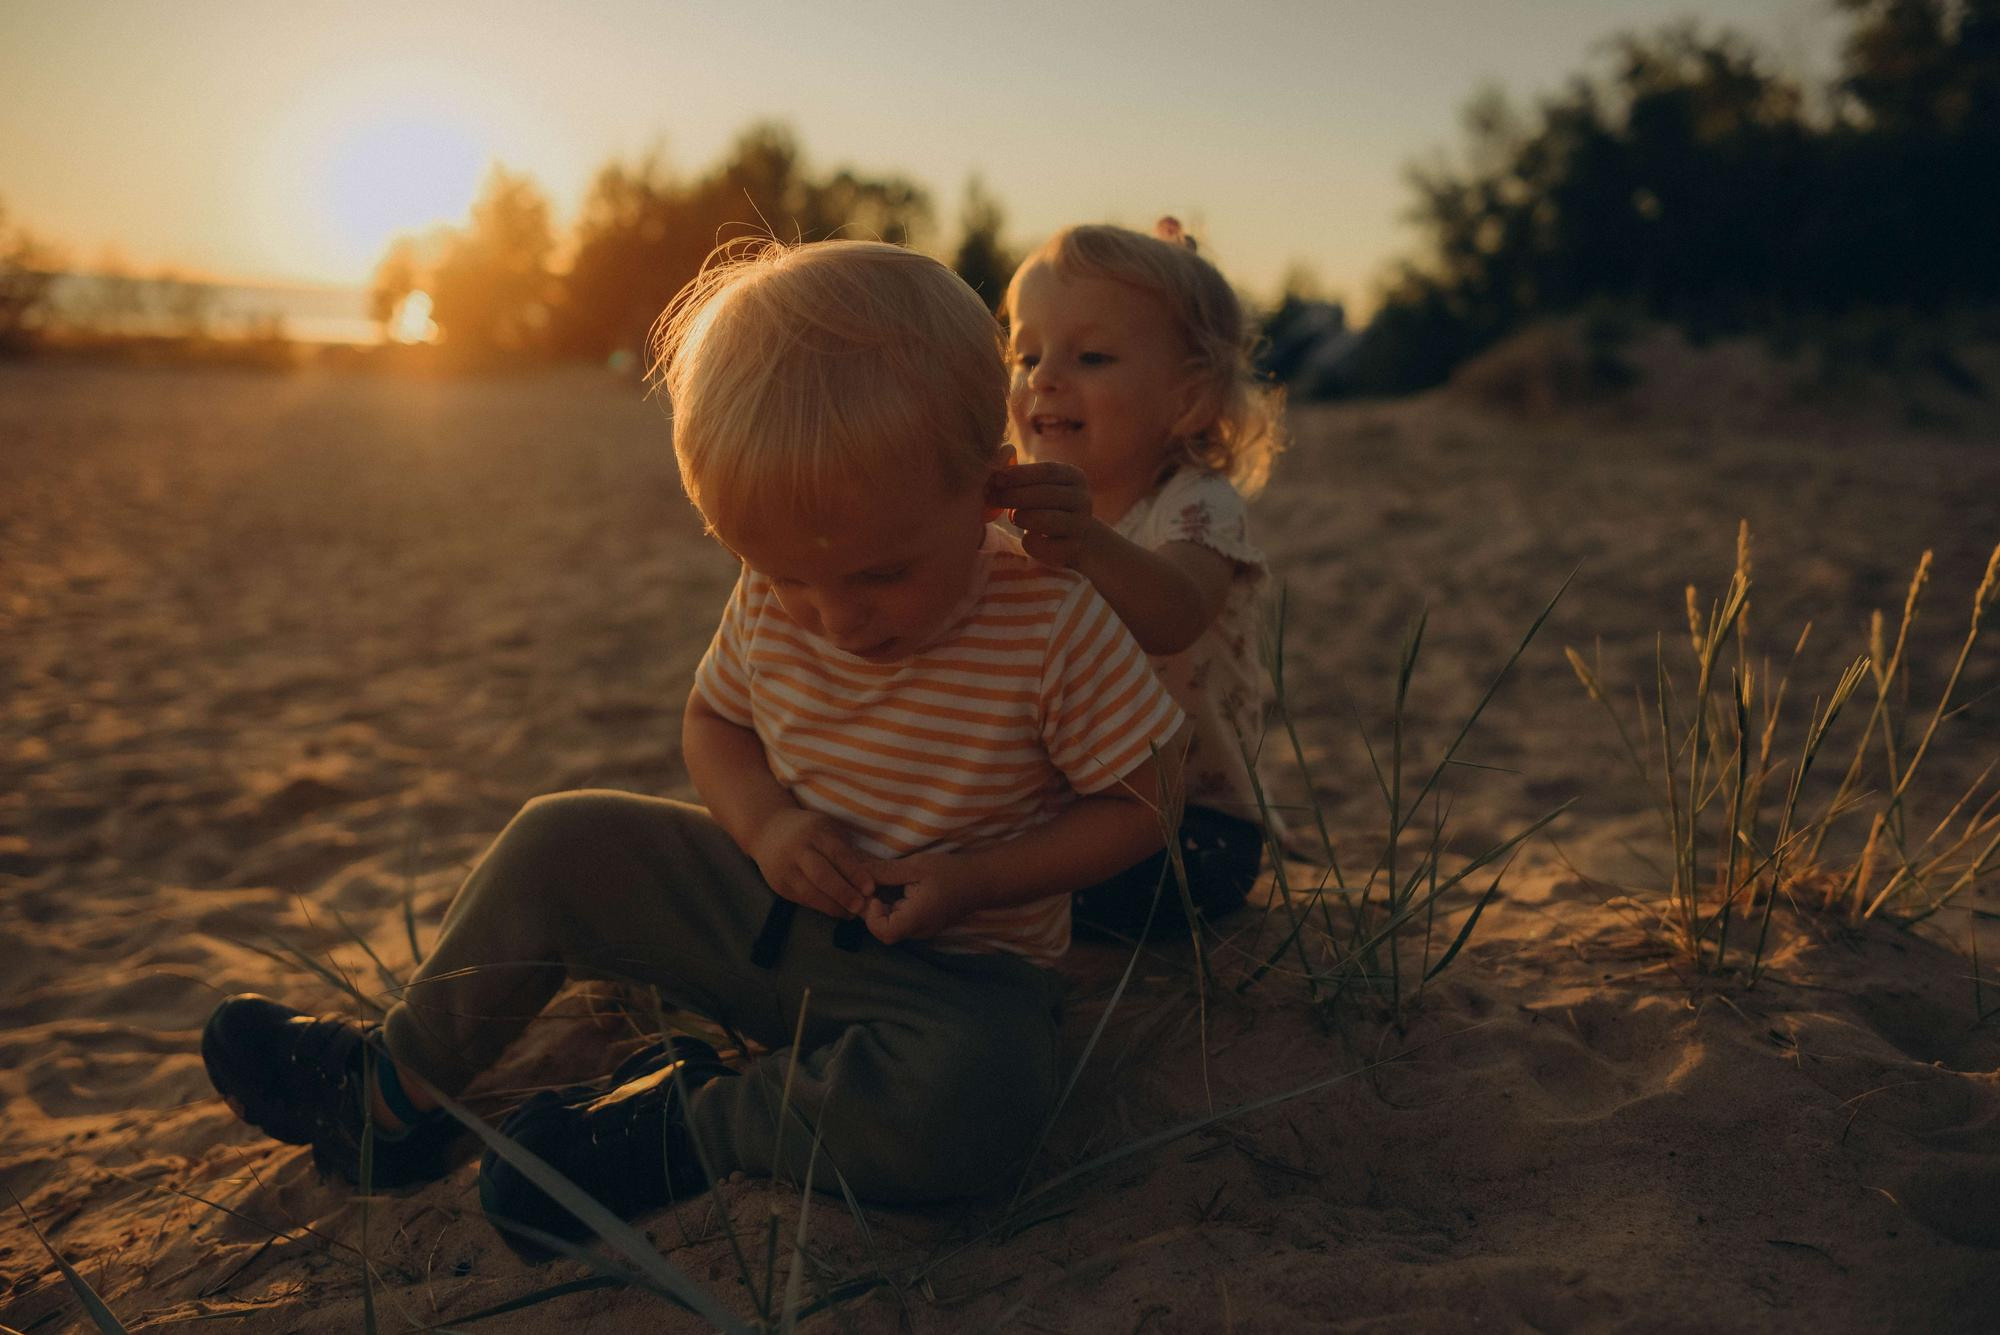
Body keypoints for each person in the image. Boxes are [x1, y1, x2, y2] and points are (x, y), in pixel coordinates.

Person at [200, 239, 1187, 1247]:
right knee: (559, 840)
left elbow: (1146, 801)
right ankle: (391, 1095)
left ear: (990, 488)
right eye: (791, 579)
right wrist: (763, 826)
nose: (836, 619)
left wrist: (976, 878)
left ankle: (684, 1123)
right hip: (766, 910)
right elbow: (713, 722)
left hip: (955, 982)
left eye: (881, 577)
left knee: (979, 1101)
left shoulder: (1048, 616)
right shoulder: (777, 587)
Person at [989, 218, 1285, 941]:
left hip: (1186, 823)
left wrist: (1083, 541)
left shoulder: (1194, 505)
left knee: (1097, 889)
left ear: (1185, 401)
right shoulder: (1014, 497)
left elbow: (1176, 612)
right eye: (1026, 354)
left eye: (1091, 356)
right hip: (1058, 804)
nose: (1044, 378)